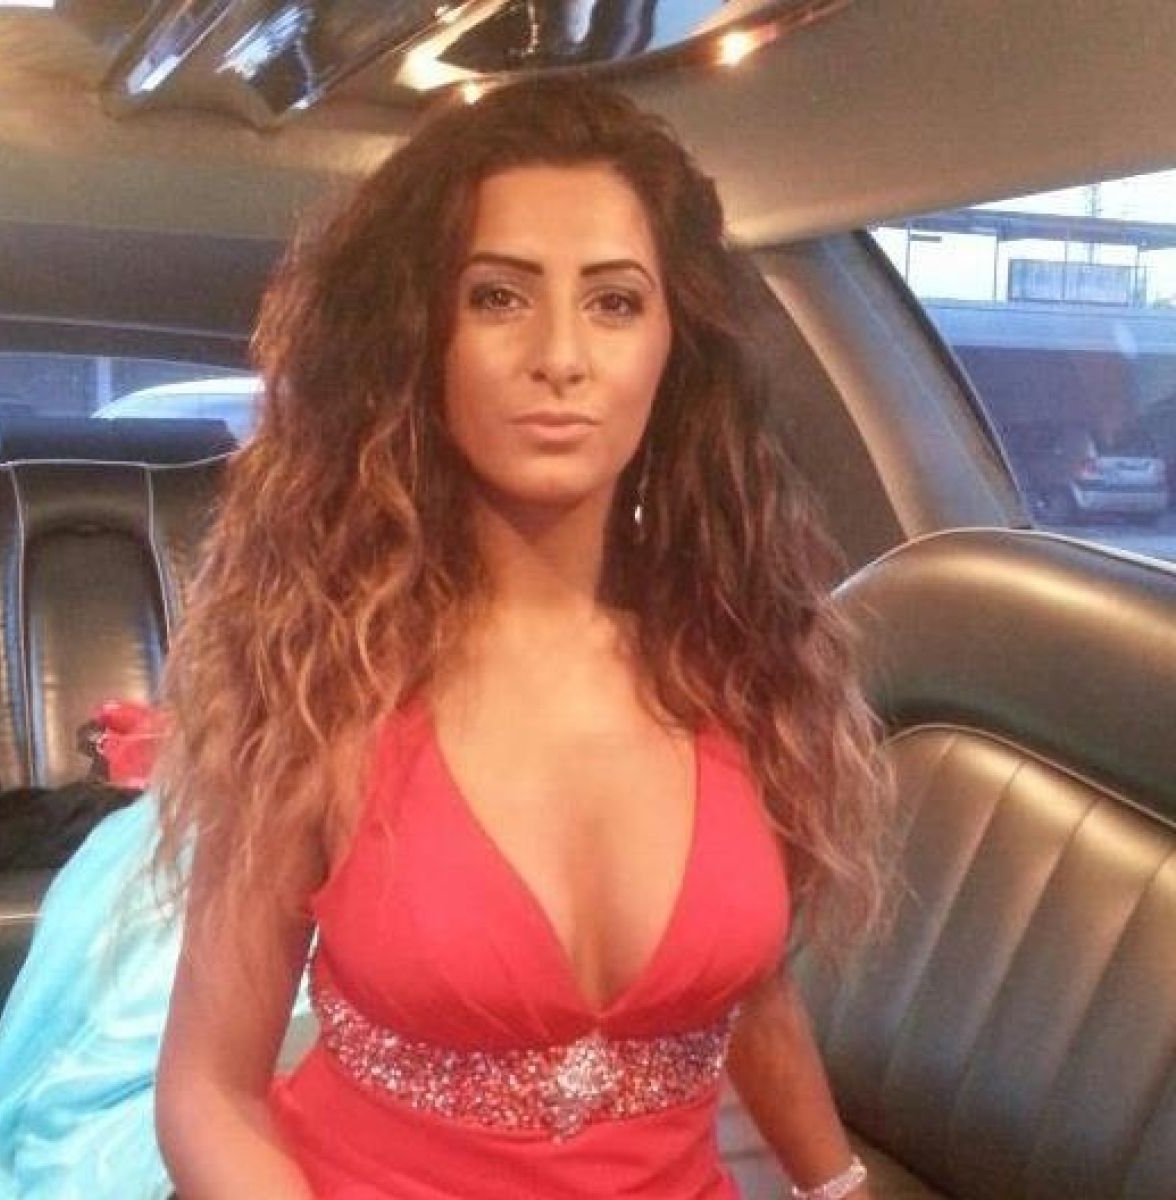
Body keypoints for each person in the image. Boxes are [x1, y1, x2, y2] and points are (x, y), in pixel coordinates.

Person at [153, 76, 889, 1200]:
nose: (561, 355)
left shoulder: (747, 658)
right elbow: (209, 1090)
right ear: (421, 337)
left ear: (674, 346)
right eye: (498, 296)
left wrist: (837, 1185)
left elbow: (747, 988)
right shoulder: (320, 676)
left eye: (614, 302)